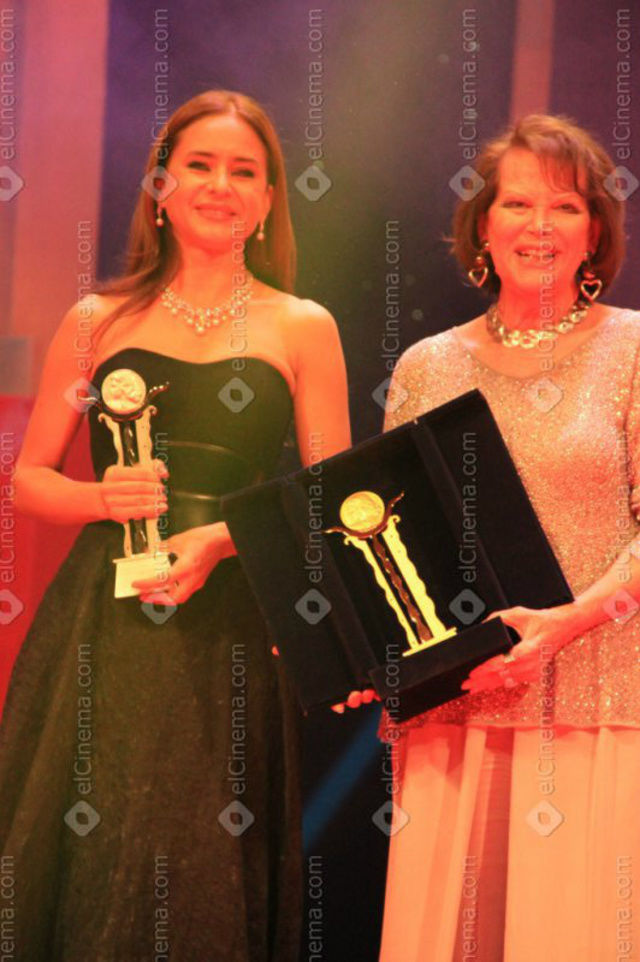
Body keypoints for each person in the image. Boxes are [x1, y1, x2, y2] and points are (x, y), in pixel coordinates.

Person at [0, 90, 350, 961]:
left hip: (233, 616)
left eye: (244, 171)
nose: (219, 185)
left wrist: (225, 539)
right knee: (88, 843)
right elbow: (28, 482)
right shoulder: (98, 320)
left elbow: (331, 497)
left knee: (199, 851)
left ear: (268, 200)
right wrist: (101, 498)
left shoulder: (302, 326)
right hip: (104, 618)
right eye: (199, 165)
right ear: (160, 186)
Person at [378, 114, 640, 961]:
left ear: (595, 231)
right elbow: (390, 541)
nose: (539, 226)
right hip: (457, 704)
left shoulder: (633, 350)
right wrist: (360, 649)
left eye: (565, 206)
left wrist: (566, 624)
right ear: (482, 225)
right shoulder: (427, 366)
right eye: (518, 204)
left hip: (597, 703)